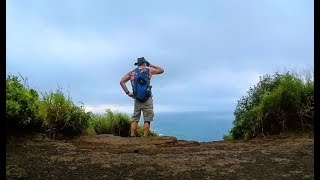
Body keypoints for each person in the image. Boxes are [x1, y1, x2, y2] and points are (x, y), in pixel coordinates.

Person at [120, 57, 164, 137]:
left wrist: (128, 93)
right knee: (147, 120)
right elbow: (161, 70)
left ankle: (133, 136)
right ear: (144, 63)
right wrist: (150, 64)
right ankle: (145, 138)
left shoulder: (132, 73)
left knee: (135, 118)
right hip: (147, 98)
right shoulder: (149, 70)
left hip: (137, 99)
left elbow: (122, 81)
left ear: (138, 64)